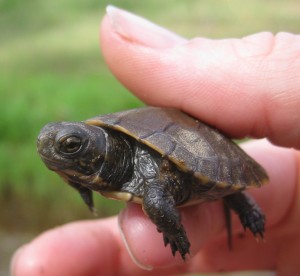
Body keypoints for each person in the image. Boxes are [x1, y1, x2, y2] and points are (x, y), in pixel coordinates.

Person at [11, 6, 300, 275]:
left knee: (168, 195)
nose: (54, 149)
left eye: (72, 145)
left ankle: (242, 203)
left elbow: (157, 197)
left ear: (102, 151)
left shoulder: (143, 169)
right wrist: (78, 179)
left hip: (191, 151)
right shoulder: (97, 162)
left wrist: (174, 232)